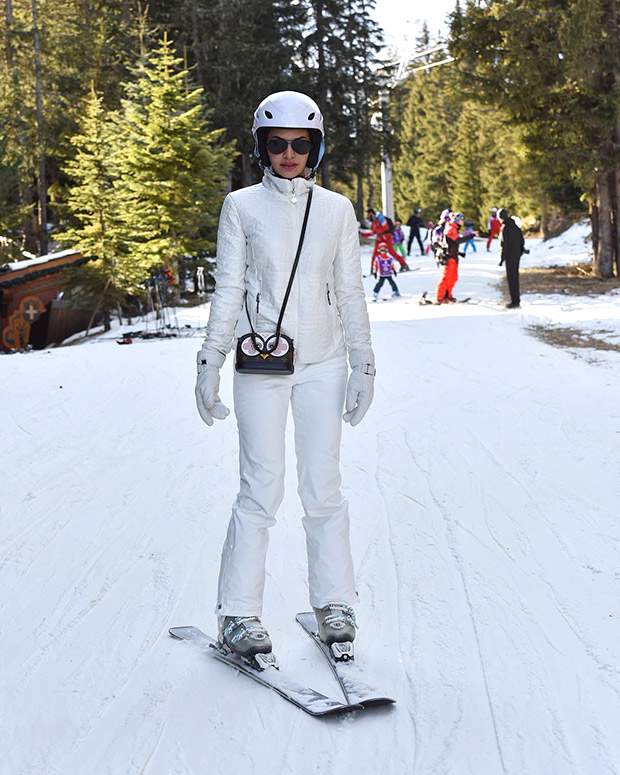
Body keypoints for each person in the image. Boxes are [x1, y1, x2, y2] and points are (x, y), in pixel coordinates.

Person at [194, 91, 375, 668]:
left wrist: (363, 363)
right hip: (259, 366)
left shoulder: (337, 210)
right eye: (278, 144)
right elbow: (227, 289)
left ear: (315, 146)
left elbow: (349, 291)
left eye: (301, 143)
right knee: (260, 488)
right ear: (262, 148)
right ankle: (239, 614)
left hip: (323, 361)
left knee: (324, 488)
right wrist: (209, 360)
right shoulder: (241, 207)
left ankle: (335, 606)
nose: (290, 153)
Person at [436, 212, 476, 303]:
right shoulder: (450, 229)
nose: (463, 221)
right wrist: (471, 235)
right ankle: (440, 297)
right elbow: (458, 240)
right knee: (446, 277)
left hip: (454, 257)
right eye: (462, 219)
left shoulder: (454, 228)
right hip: (449, 257)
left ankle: (448, 295)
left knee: (453, 277)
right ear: (457, 220)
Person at [498, 207, 525, 308]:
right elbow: (521, 241)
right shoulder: (516, 227)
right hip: (516, 255)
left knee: (511, 278)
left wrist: (502, 258)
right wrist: (520, 251)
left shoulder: (505, 228)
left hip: (509, 256)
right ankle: (516, 299)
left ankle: (515, 301)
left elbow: (504, 245)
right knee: (515, 277)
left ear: (500, 218)